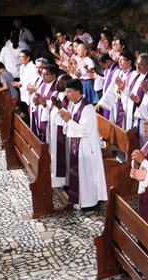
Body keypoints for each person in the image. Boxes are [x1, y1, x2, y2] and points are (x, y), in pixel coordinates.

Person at [58, 79, 107, 209]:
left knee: (87, 175)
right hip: (76, 145)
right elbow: (69, 125)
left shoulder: (88, 108)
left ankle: (90, 202)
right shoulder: (73, 105)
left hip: (86, 147)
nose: (67, 95)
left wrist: (69, 121)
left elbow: (85, 130)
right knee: (79, 174)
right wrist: (65, 119)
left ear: (77, 91)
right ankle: (79, 199)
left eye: (69, 92)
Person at [96, 50, 136, 129]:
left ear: (129, 62)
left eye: (122, 60)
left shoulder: (134, 75)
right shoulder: (120, 73)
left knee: (127, 128)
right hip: (118, 104)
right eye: (119, 60)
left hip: (127, 106)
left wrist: (123, 91)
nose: (119, 62)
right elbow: (111, 88)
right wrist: (101, 102)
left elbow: (134, 93)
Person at [46, 74, 71, 188]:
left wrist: (60, 107)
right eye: (57, 82)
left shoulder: (69, 97)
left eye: (60, 82)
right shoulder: (56, 94)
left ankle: (64, 181)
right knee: (55, 155)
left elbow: (70, 115)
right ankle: (57, 178)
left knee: (61, 156)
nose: (57, 84)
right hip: (54, 130)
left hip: (62, 131)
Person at [125, 53, 148, 131]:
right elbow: (131, 92)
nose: (138, 66)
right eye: (137, 63)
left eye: (141, 64)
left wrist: (147, 91)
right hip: (131, 113)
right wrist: (123, 88)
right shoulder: (137, 75)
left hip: (143, 117)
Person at [32, 64, 58, 142]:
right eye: (42, 74)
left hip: (49, 118)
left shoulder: (56, 88)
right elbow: (38, 97)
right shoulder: (43, 84)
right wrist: (35, 100)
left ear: (54, 75)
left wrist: (44, 102)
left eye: (45, 74)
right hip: (40, 114)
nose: (43, 76)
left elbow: (56, 105)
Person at [12, 50, 38, 118]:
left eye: (22, 57)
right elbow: (23, 80)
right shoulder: (22, 67)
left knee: (30, 114)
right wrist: (19, 83)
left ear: (28, 58)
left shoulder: (33, 67)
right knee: (24, 112)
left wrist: (21, 85)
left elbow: (34, 82)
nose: (20, 58)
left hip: (30, 93)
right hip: (23, 93)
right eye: (19, 57)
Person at [95, 54, 120, 120]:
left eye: (103, 65)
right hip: (106, 97)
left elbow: (111, 86)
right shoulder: (107, 70)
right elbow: (106, 81)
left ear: (108, 61)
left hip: (112, 100)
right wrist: (97, 77)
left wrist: (101, 102)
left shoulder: (117, 70)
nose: (103, 67)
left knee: (112, 118)